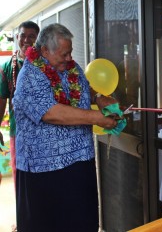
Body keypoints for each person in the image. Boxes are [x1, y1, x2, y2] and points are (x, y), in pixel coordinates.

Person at [13, 23, 119, 232]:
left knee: (82, 224)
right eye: (64, 54)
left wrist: (98, 98)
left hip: (80, 164)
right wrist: (97, 117)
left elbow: (83, 86)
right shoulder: (30, 75)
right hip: (45, 173)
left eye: (70, 52)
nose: (69, 58)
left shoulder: (71, 67)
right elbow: (52, 113)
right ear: (44, 51)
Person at [0, 21, 40, 190]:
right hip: (19, 133)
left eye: (31, 36)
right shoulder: (7, 68)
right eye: (23, 35)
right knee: (21, 179)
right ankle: (24, 215)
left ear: (38, 39)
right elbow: (2, 102)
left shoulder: (46, 65)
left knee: (42, 177)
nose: (26, 40)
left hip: (44, 131)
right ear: (17, 37)